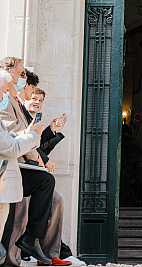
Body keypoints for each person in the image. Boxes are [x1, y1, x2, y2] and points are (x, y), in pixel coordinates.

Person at [0, 56, 55, 265]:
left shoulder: (12, 100)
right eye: (21, 73)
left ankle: (33, 242)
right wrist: (37, 139)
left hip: (16, 162)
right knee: (44, 182)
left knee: (47, 187)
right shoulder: (6, 103)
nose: (23, 78)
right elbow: (13, 140)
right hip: (11, 165)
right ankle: (24, 245)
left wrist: (46, 132)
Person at [8, 87, 71, 266]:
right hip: (18, 171)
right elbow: (24, 146)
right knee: (22, 207)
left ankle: (50, 254)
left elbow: (40, 147)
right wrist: (44, 162)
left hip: (33, 173)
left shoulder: (36, 119)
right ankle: (13, 258)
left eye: (40, 100)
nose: (36, 102)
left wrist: (52, 130)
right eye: (33, 99)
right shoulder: (18, 116)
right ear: (25, 98)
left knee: (58, 200)